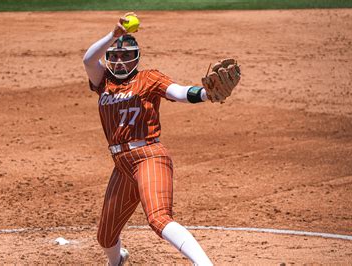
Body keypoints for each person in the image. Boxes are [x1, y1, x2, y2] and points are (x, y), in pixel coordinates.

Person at [82, 12, 239, 265]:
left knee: (158, 217)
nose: (120, 62)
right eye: (115, 57)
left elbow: (178, 92)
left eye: (126, 56)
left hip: (149, 157)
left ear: (136, 59)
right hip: (121, 166)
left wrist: (203, 94)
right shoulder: (104, 83)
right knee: (106, 235)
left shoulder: (148, 78)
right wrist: (114, 35)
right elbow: (88, 59)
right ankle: (117, 262)